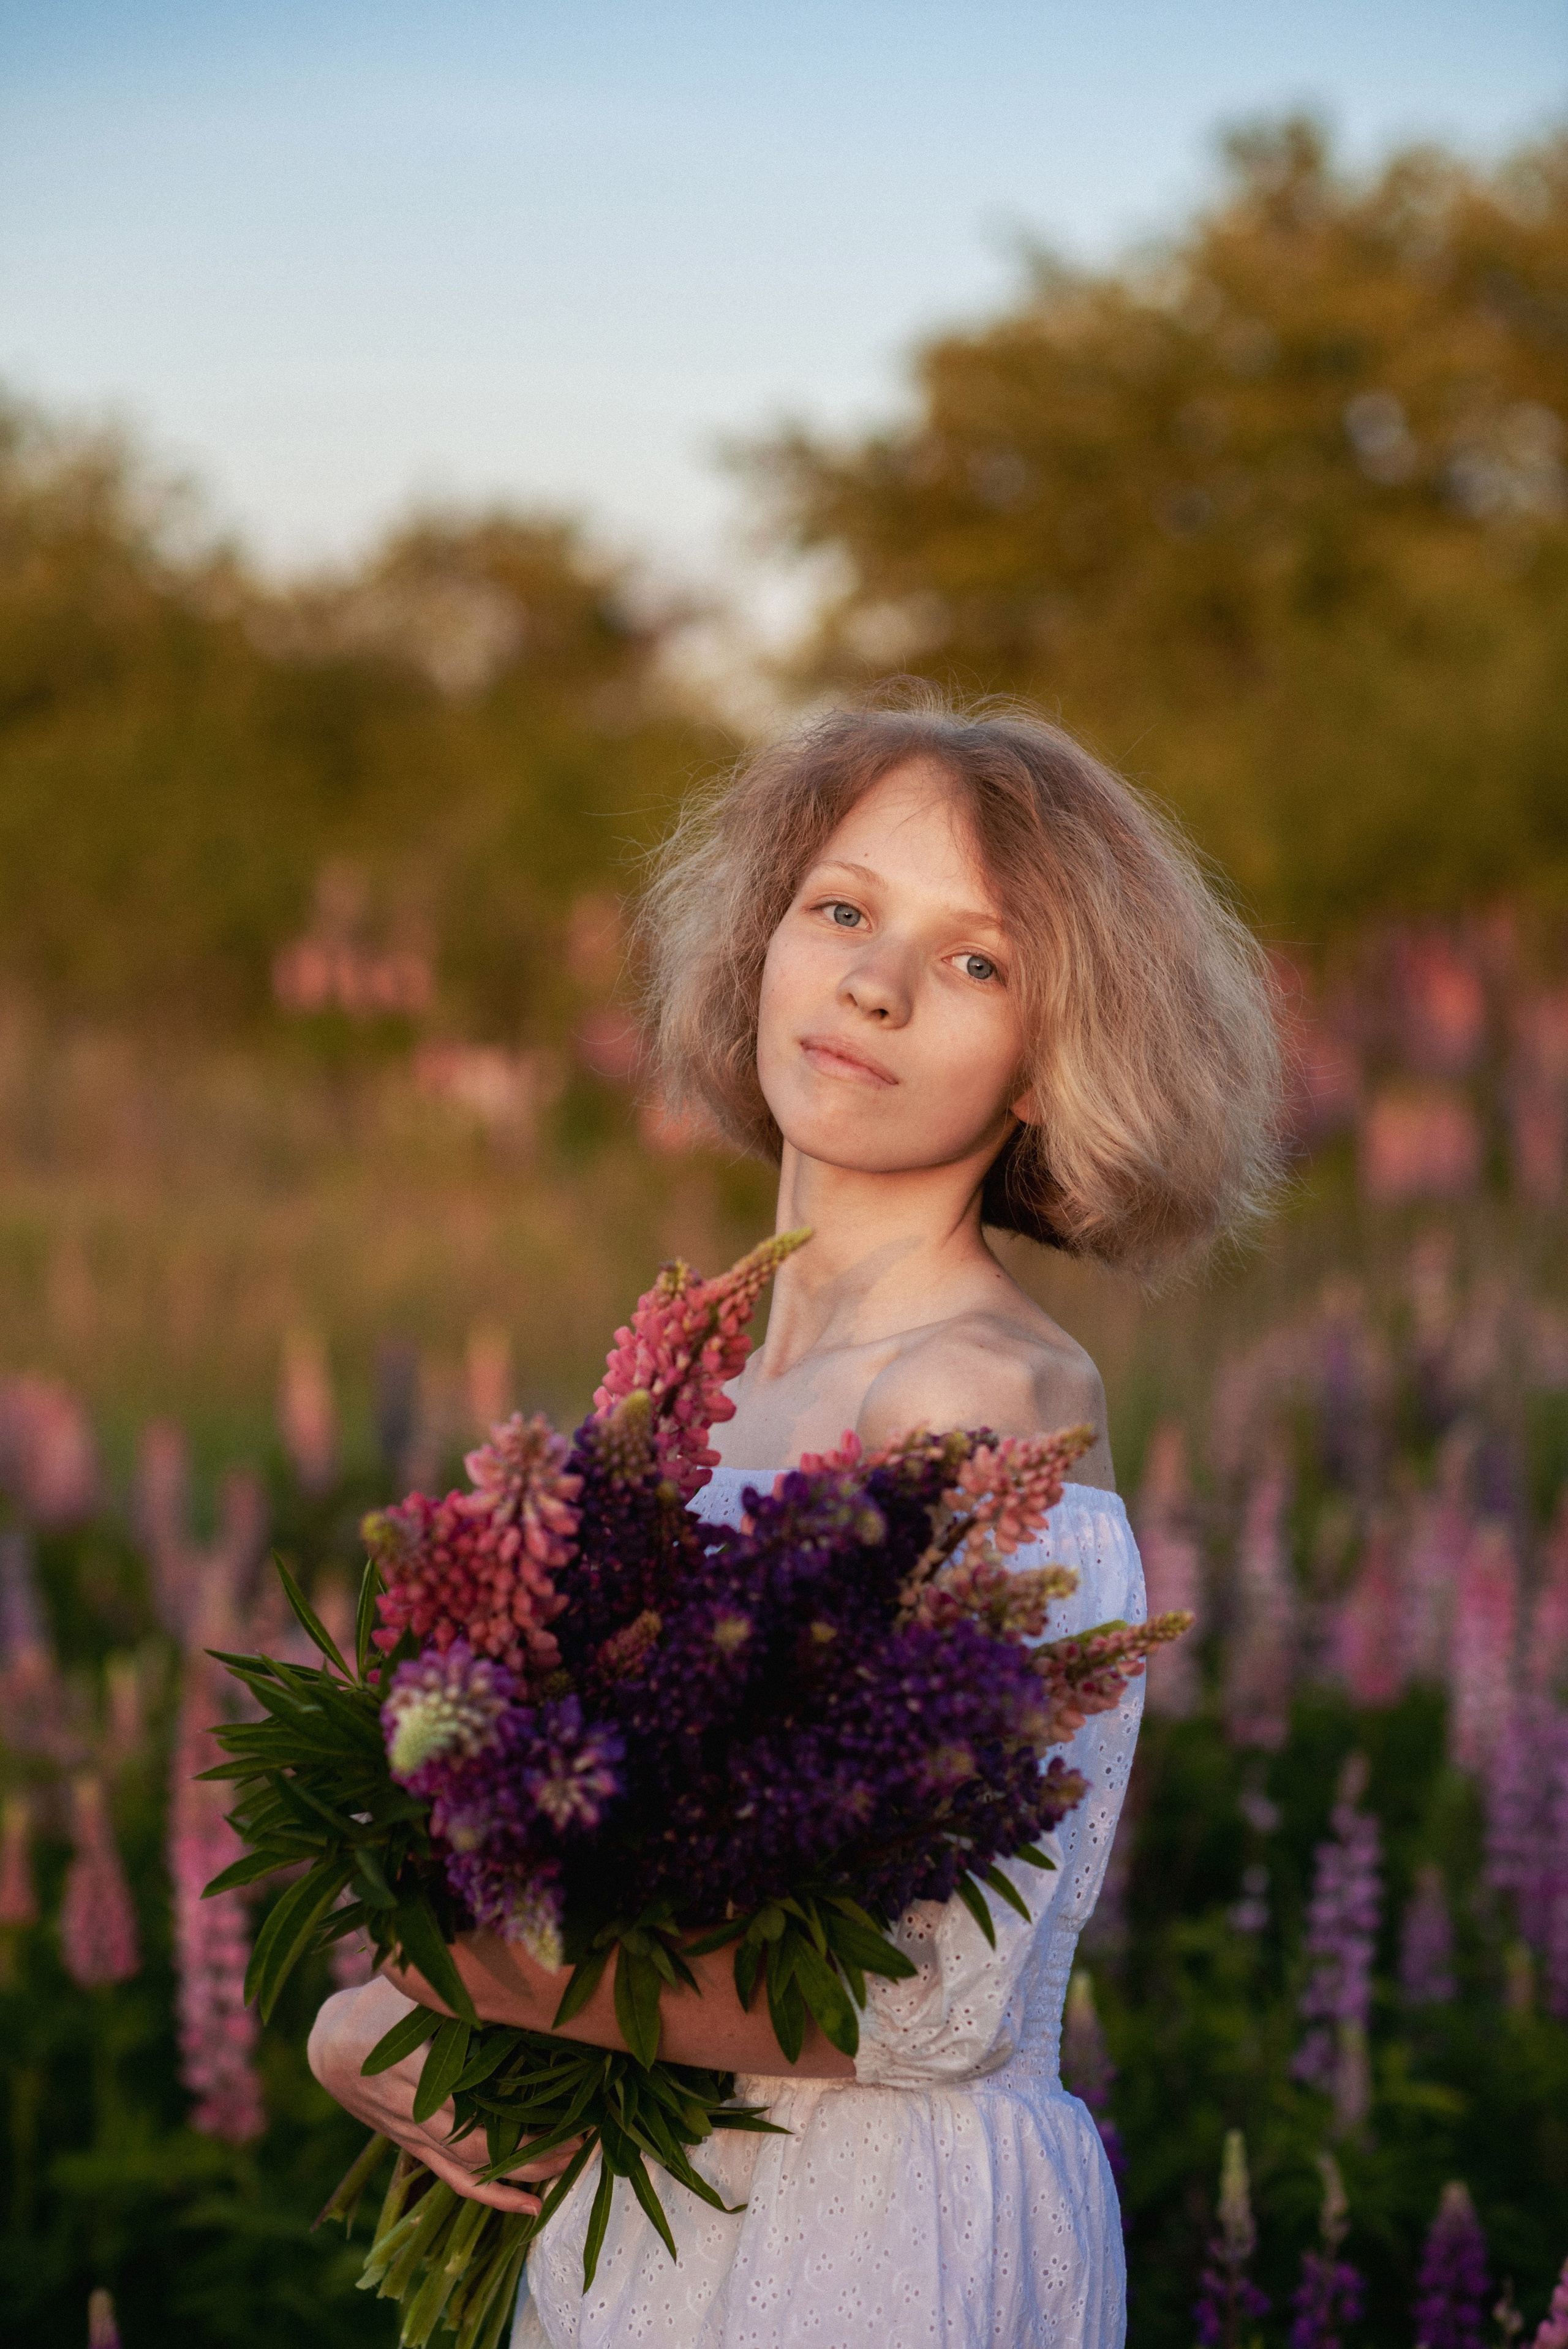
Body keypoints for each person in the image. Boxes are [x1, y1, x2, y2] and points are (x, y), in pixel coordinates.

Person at [309, 692, 1282, 2347]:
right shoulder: (689, 1397)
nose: (875, 982)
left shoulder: (986, 1396)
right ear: (762, 938)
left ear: (1057, 1060)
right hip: (660, 2215)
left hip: (870, 2237)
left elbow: (920, 1997)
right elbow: (583, 1872)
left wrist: (407, 1985)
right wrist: (426, 1958)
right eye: (840, 907)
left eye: (977, 961)